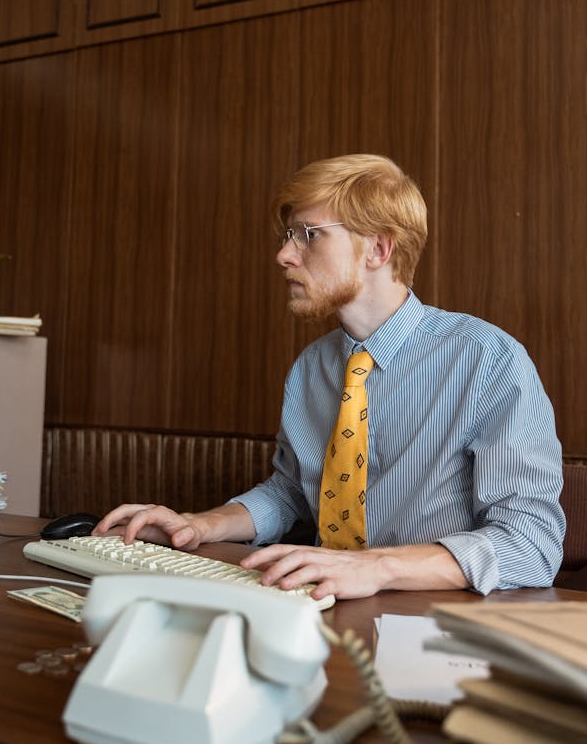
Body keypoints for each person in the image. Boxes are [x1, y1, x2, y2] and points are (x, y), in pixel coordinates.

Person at [93, 154, 565, 600]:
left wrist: (377, 567)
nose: (283, 255)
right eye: (287, 235)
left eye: (308, 235)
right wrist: (199, 524)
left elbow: (530, 545)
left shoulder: (486, 359)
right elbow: (291, 495)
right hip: (317, 609)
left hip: (433, 633)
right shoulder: (311, 368)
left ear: (378, 248)